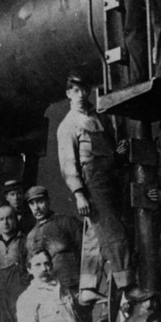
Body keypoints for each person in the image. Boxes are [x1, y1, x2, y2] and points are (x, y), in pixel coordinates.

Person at [57, 71, 134, 303]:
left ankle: (89, 286)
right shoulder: (68, 125)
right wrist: (79, 194)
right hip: (93, 181)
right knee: (112, 231)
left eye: (84, 90)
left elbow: (108, 147)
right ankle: (127, 286)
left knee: (96, 230)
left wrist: (117, 153)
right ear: (68, 93)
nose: (80, 95)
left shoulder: (99, 116)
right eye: (75, 90)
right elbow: (68, 164)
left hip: (112, 175)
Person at [25, 186, 83, 296]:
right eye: (32, 204)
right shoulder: (31, 237)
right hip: (49, 293)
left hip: (74, 287)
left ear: (48, 200)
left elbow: (86, 252)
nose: (36, 207)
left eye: (40, 201)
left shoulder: (66, 222)